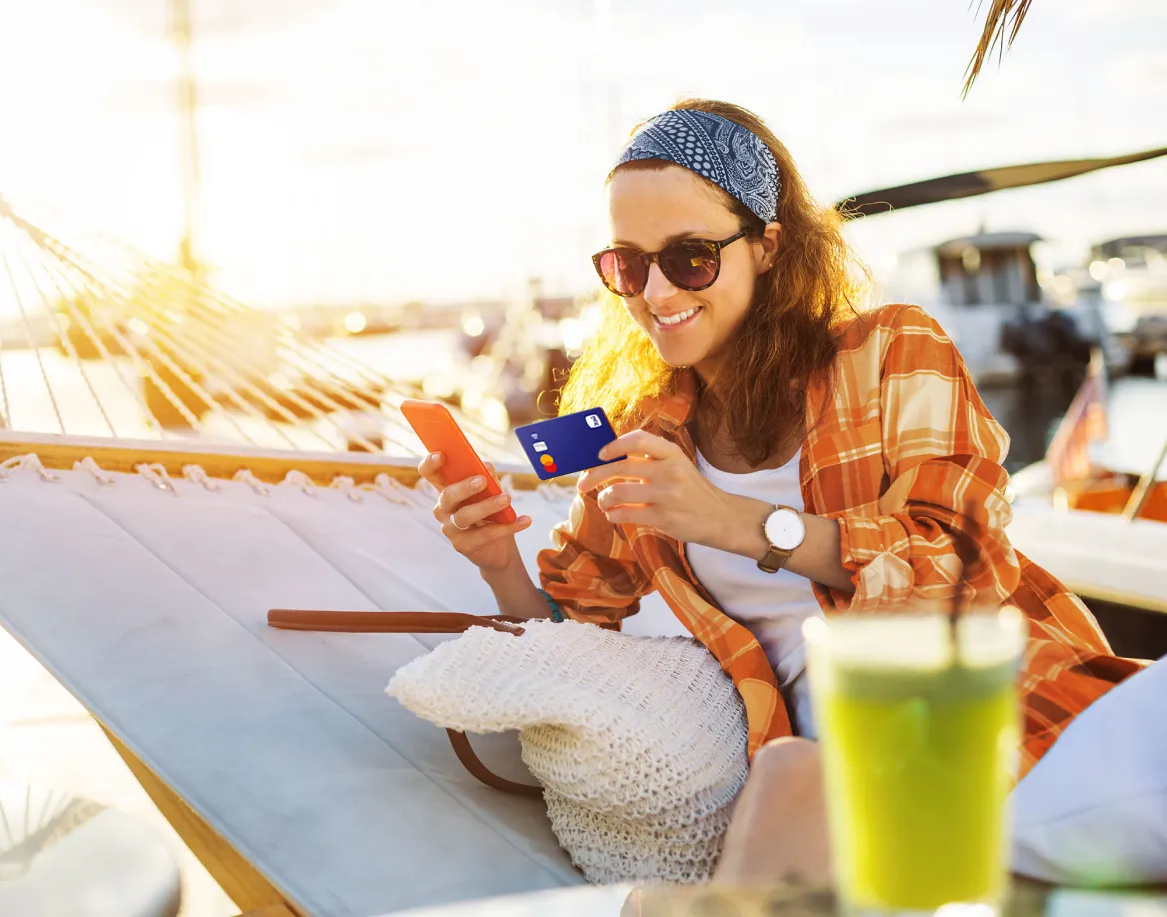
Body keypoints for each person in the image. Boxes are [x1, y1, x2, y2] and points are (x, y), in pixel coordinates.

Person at [415, 99, 1150, 881]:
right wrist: (497, 558)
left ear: (767, 246)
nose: (656, 292)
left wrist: (735, 521)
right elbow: (572, 632)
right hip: (829, 781)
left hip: (1014, 718)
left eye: (691, 257)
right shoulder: (644, 433)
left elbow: (964, 564)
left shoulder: (891, 352)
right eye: (628, 264)